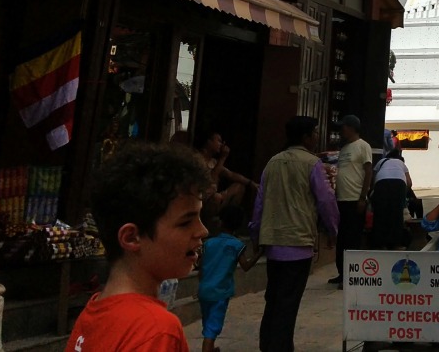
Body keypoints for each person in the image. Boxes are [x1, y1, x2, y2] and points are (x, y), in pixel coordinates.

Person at [65, 142, 211, 352]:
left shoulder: (94, 312)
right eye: (185, 222)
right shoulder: (157, 330)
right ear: (132, 237)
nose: (202, 231)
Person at [252, 116, 339, 352]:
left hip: (273, 242)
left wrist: (256, 232)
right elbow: (326, 200)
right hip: (298, 243)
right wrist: (333, 229)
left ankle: (268, 344)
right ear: (305, 137)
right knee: (288, 303)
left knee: (274, 299)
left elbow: (260, 202)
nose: (317, 137)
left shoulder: (273, 162)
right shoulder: (312, 164)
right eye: (314, 133)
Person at [197, 205, 258, 352]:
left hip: (204, 290)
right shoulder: (236, 245)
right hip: (221, 292)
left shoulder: (208, 243)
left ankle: (210, 348)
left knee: (208, 323)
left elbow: (201, 267)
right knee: (212, 328)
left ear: (221, 222)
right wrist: (260, 252)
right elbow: (246, 266)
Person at [329, 115, 372, 286]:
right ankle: (341, 273)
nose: (341, 131)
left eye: (343, 127)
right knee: (342, 239)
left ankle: (350, 275)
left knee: (352, 239)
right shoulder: (345, 148)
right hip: (341, 200)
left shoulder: (363, 146)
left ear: (352, 128)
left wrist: (363, 197)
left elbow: (368, 172)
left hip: (355, 199)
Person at [196, 131, 257, 226]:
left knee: (239, 187)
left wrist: (251, 183)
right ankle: (207, 223)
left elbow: (231, 175)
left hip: (213, 198)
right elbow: (211, 181)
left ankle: (229, 222)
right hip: (200, 200)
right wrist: (223, 158)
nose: (221, 145)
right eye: (219, 141)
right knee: (216, 197)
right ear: (209, 142)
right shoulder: (197, 159)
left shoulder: (213, 162)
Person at [369, 145, 412, 250]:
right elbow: (409, 183)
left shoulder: (381, 161)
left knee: (380, 214)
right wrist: (402, 195)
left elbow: (373, 177)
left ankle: (379, 244)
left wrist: (373, 192)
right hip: (399, 184)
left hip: (381, 183)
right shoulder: (401, 163)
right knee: (396, 215)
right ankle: (396, 244)